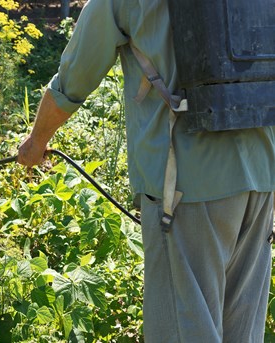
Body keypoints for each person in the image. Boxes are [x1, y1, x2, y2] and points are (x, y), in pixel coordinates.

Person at [16, 0, 275, 342]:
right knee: (241, 334)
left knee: (184, 332)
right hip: (261, 177)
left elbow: (74, 77)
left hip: (186, 185)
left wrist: (36, 141)